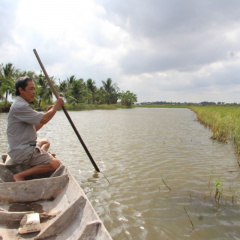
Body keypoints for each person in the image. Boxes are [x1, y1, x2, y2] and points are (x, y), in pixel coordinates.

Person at [7, 76, 64, 182]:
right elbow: (44, 119)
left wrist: (46, 115)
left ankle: (42, 158)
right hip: (23, 152)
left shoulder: (21, 104)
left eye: (34, 89)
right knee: (56, 164)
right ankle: (20, 175)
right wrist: (57, 106)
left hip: (21, 147)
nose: (34, 92)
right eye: (31, 89)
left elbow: (36, 127)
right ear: (21, 90)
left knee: (45, 142)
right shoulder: (20, 106)